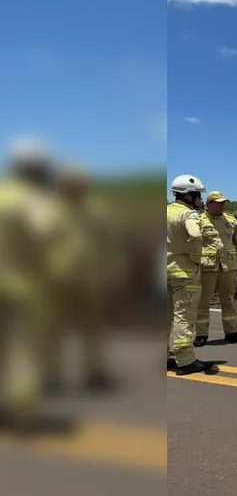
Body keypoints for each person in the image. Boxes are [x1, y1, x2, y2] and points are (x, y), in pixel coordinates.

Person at [0, 139, 62, 429]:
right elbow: (47, 236)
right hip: (23, 287)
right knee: (23, 351)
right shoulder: (32, 199)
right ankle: (22, 414)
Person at [44, 167, 118, 393]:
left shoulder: (97, 211)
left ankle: (95, 372)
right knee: (53, 329)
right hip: (57, 279)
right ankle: (52, 375)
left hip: (90, 278)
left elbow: (110, 244)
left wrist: (114, 271)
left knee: (93, 329)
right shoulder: (50, 211)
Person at [167, 174, 213, 374]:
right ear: (188, 196)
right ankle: (185, 361)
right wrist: (196, 257)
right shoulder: (188, 215)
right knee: (183, 317)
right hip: (183, 274)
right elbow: (195, 234)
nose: (200, 201)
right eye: (197, 196)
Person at [194, 191, 237, 346]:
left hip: (228, 267)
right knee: (203, 302)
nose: (222, 205)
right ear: (209, 203)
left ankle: (231, 332)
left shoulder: (231, 221)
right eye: (218, 202)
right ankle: (201, 334)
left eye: (223, 202)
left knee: (228, 300)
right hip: (207, 267)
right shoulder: (198, 221)